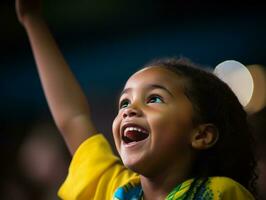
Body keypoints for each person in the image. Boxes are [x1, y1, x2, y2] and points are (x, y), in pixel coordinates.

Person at [15, 0, 257, 199]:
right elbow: (73, 117)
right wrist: (32, 20)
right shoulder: (117, 189)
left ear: (200, 135)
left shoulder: (223, 192)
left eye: (154, 99)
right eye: (124, 102)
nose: (129, 110)